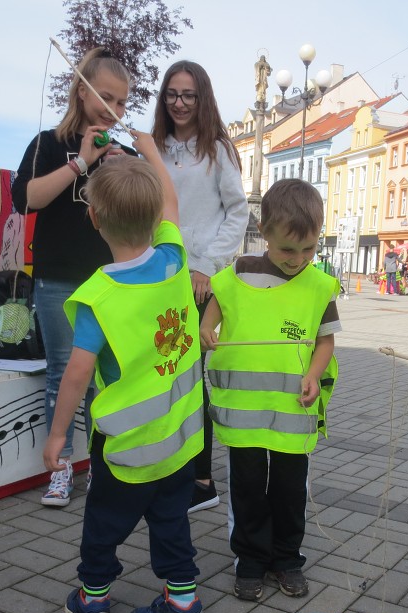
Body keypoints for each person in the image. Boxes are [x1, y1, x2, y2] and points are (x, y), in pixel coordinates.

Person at [43, 140, 207, 613]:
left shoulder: (99, 297)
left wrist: (57, 438)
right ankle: (182, 602)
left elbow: (75, 376)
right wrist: (151, 150)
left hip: (126, 445)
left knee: (104, 524)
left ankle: (92, 599)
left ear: (93, 219)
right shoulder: (175, 259)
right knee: (172, 520)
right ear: (156, 216)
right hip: (179, 439)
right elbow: (172, 199)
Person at [199, 179, 340, 602]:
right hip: (243, 413)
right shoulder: (237, 273)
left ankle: (287, 559)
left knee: (289, 490)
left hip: (293, 412)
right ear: (264, 231)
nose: (298, 260)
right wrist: (206, 328)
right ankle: (251, 561)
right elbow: (215, 307)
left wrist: (314, 374)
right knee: (246, 489)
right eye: (287, 250)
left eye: (309, 249)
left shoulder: (319, 285)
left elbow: (325, 340)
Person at [13, 48, 133, 507]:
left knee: (108, 376)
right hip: (59, 276)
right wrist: (80, 163)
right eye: (106, 97)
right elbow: (25, 200)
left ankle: (105, 467)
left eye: (122, 103)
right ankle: (60, 470)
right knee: (63, 375)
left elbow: (141, 214)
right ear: (82, 92)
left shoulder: (121, 153)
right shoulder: (47, 142)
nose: (114, 110)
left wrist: (126, 171)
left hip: (111, 282)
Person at [152, 60, 249, 516]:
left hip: (197, 281)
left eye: (189, 94)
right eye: (172, 93)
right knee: (164, 375)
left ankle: (203, 480)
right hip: (158, 276)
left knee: (191, 381)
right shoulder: (154, 147)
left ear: (203, 97)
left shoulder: (218, 150)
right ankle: (170, 466)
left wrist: (207, 266)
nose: (180, 103)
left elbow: (238, 212)